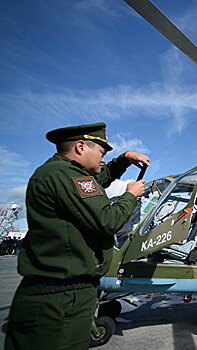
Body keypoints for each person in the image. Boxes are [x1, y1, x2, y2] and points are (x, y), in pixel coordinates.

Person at [5, 122, 149, 350]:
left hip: (62, 294)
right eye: (101, 153)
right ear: (81, 147)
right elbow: (107, 221)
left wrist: (124, 160)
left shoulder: (62, 173)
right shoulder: (67, 175)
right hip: (62, 299)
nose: (103, 159)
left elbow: (100, 179)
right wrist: (130, 195)